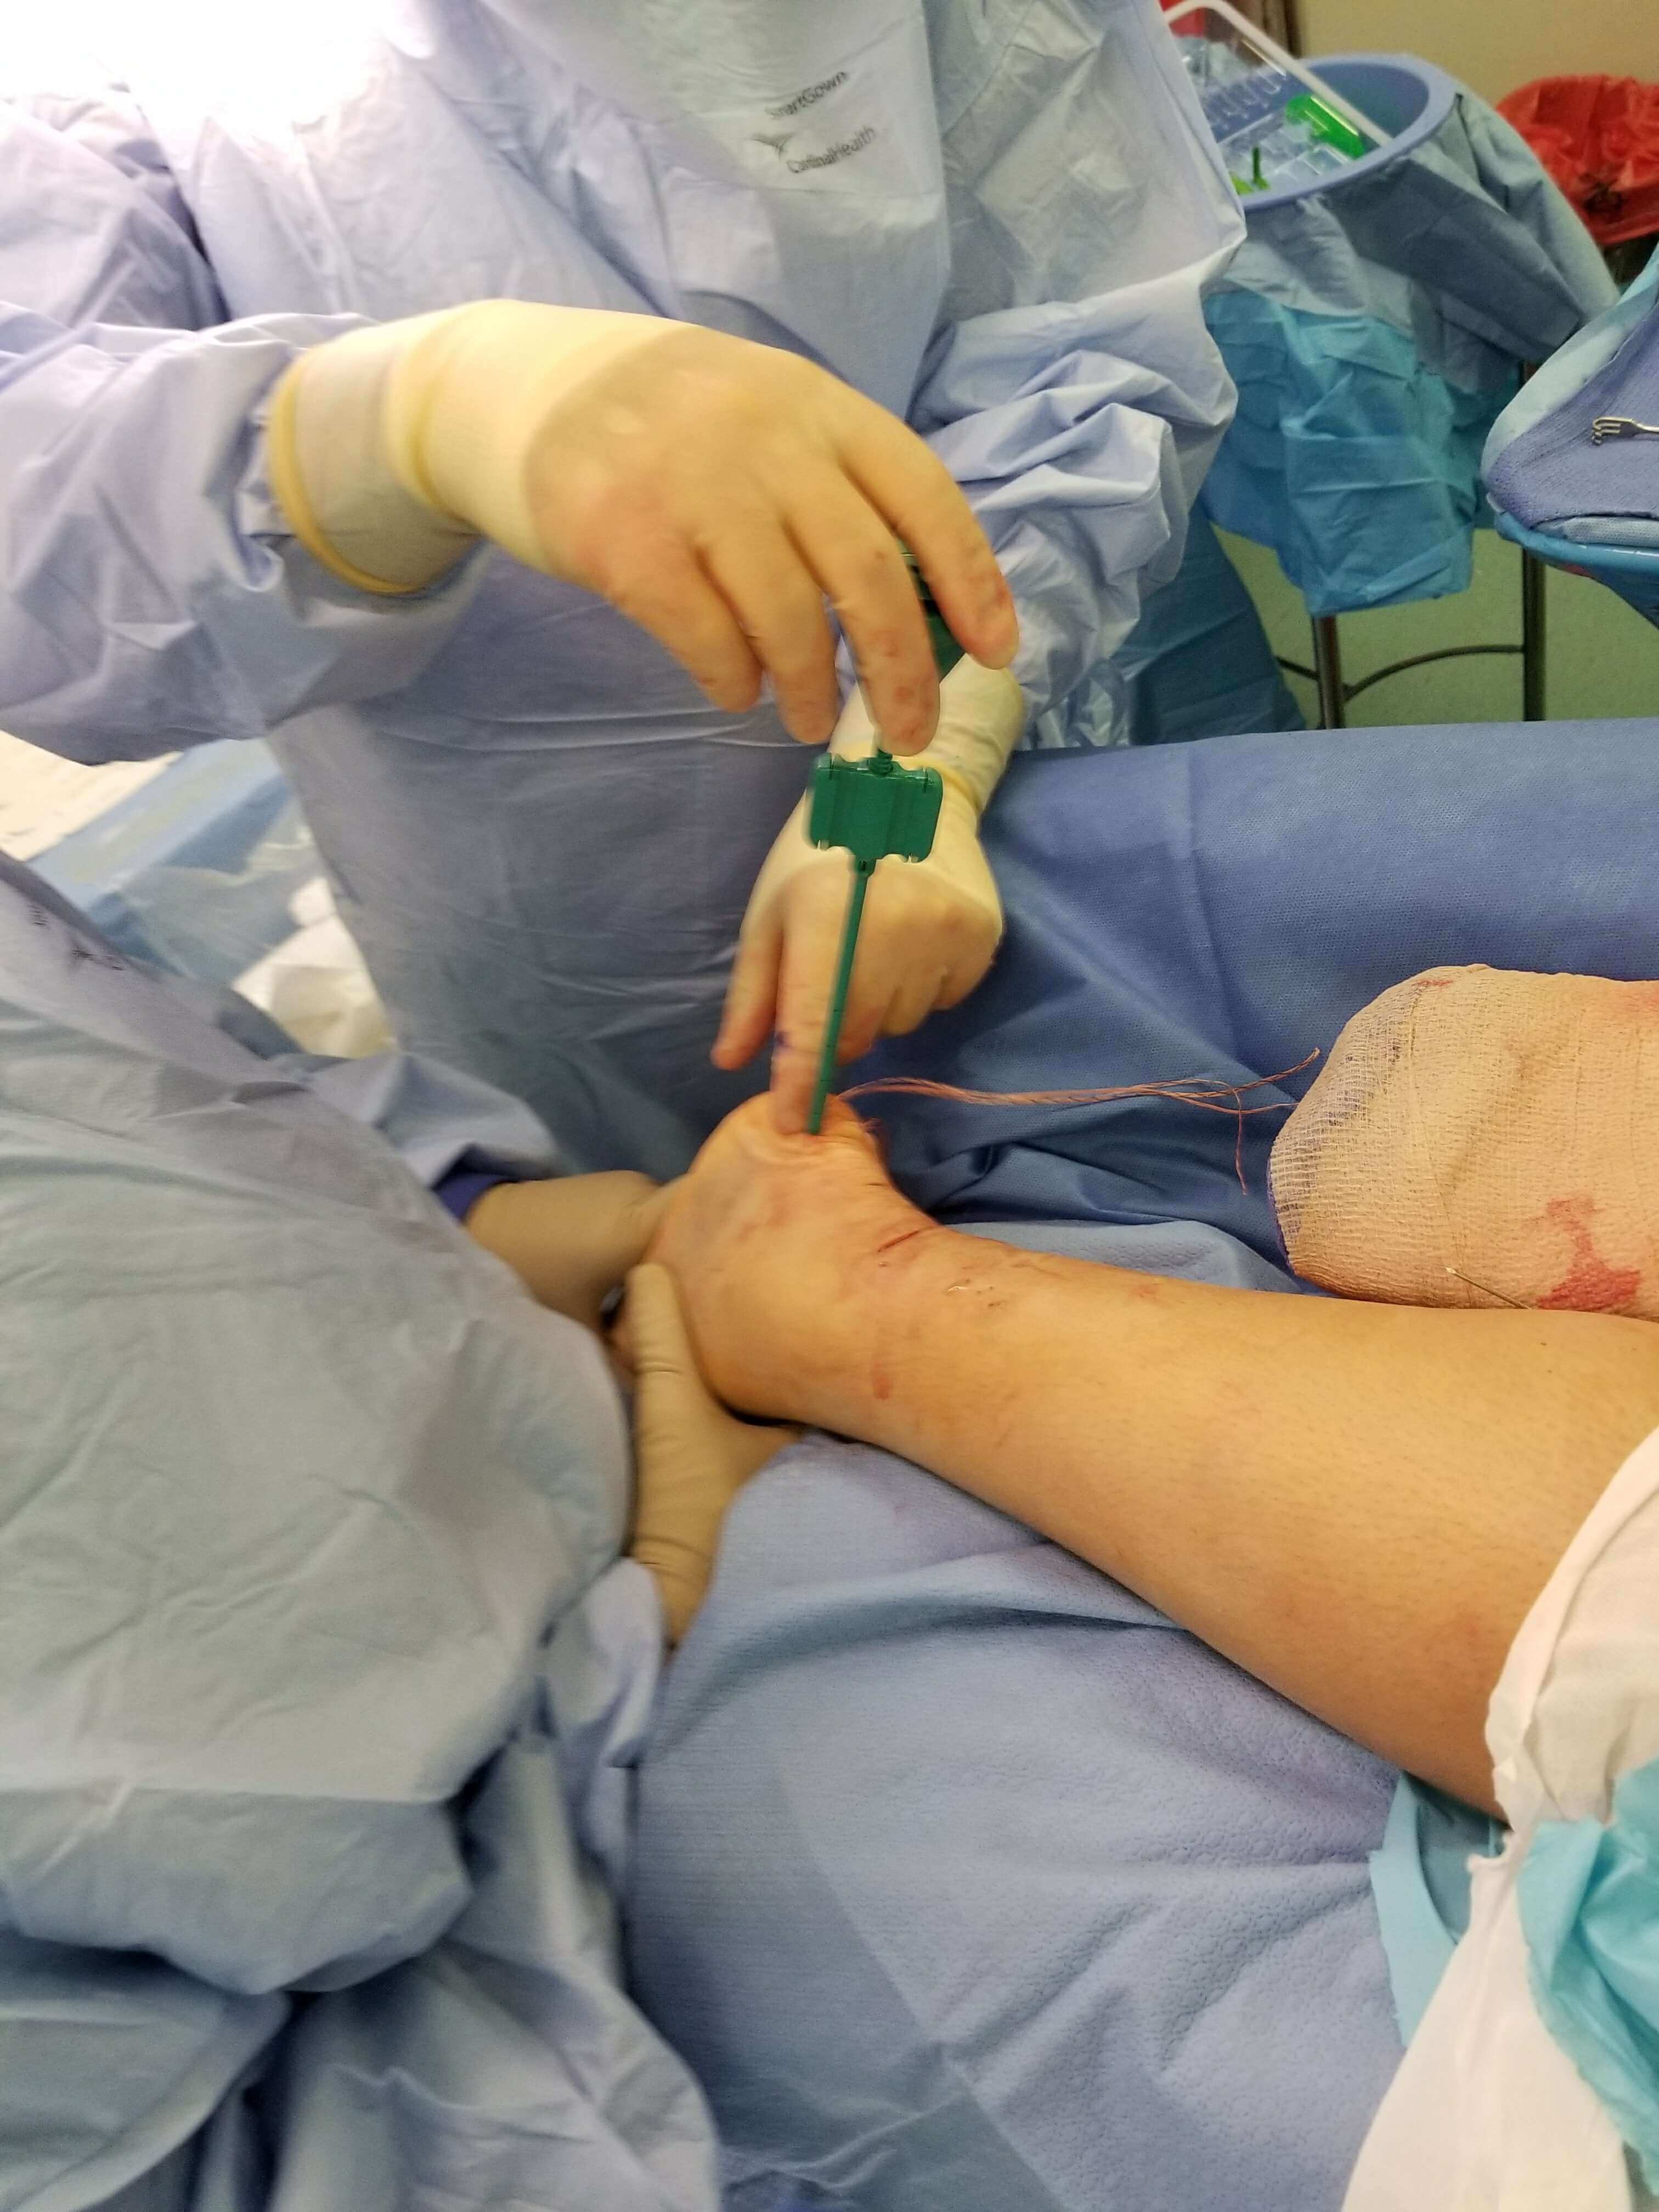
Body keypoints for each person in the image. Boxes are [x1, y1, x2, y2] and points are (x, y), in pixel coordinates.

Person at [0, 0, 1243, 1176]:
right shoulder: (126, 51)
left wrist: (904, 784)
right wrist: (399, 424)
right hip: (526, 905)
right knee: (659, 1261)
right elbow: (45, 541)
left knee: (1046, 1162)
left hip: (957, 798)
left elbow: (1082, 365)